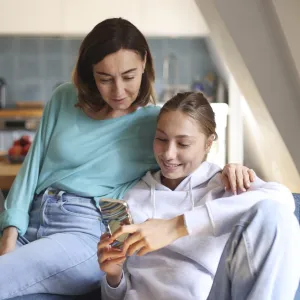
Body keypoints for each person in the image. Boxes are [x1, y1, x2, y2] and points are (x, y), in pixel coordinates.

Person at [0, 18, 253, 299]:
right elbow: (30, 170)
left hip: (85, 233)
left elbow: (190, 159)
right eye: (105, 78)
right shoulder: (64, 98)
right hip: (34, 219)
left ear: (144, 63)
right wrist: (10, 233)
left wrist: (230, 168)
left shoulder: (154, 126)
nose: (118, 91)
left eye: (129, 76)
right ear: (90, 73)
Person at [98, 92, 300, 300]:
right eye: (161, 139)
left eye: (183, 144)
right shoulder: (132, 197)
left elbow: (283, 200)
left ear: (208, 143)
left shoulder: (227, 185)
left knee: (275, 215)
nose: (168, 154)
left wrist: (177, 226)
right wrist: (114, 277)